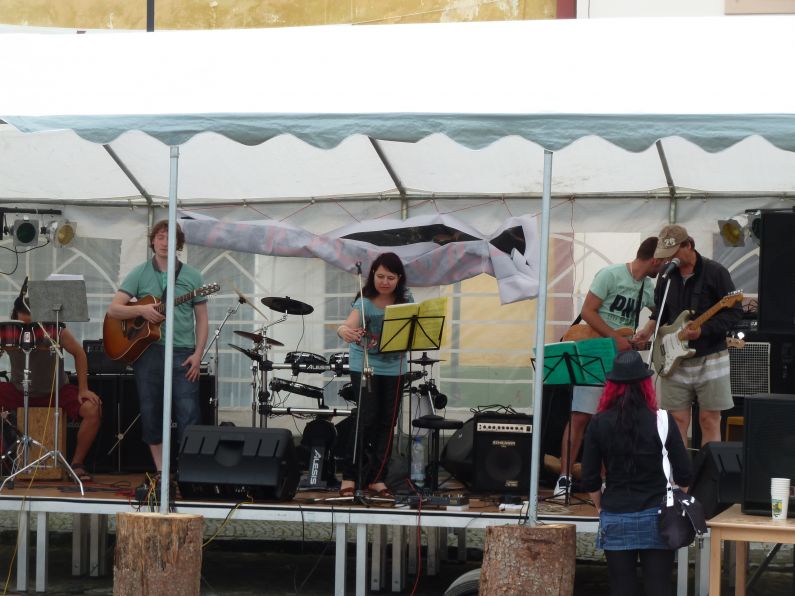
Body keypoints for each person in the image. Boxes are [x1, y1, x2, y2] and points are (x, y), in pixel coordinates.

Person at [554, 237, 664, 497]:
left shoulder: (647, 286)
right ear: (655, 260)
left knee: (614, 420)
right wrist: (614, 337)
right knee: (580, 416)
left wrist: (647, 329)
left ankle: (606, 480)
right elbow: (588, 311)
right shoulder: (610, 275)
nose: (663, 268)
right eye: (663, 262)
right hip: (595, 351)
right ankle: (564, 478)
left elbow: (660, 312)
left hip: (621, 360)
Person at [581, 350, 692, 596]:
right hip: (658, 514)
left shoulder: (598, 422)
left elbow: (589, 477)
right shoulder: (663, 420)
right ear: (646, 385)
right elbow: (684, 472)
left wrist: (600, 506)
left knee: (621, 587)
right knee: (659, 587)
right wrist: (677, 497)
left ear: (611, 386)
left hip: (616, 512)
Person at [106, 220, 208, 479]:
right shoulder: (139, 273)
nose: (165, 242)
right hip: (148, 352)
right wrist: (141, 310)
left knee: (189, 413)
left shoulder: (193, 276)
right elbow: (114, 309)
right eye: (160, 237)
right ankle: (162, 472)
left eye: (170, 238)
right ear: (152, 241)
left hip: (183, 352)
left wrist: (198, 354)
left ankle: (188, 472)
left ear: (179, 244)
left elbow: (202, 320)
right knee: (150, 411)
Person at [635, 224, 742, 447]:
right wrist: (648, 329)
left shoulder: (716, 272)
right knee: (677, 420)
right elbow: (661, 311)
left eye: (673, 253)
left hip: (710, 356)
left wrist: (704, 329)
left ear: (689, 245)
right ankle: (679, 470)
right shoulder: (666, 275)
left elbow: (734, 312)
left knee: (709, 420)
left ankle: (708, 470)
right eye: (666, 255)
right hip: (674, 358)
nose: (668, 259)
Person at [0, 295, 102, 481]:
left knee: (92, 409)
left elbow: (79, 353)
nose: (28, 330)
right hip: (18, 390)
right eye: (24, 324)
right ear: (15, 316)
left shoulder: (55, 329)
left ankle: (77, 464)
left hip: (56, 391)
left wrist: (83, 389)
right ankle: (3, 461)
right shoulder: (6, 330)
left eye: (32, 324)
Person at [337, 252, 413, 498]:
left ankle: (377, 477)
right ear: (372, 275)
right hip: (365, 363)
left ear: (399, 278)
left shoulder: (406, 300)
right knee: (366, 418)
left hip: (395, 366)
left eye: (390, 277)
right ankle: (350, 476)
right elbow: (347, 325)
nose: (384, 282)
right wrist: (343, 331)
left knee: (388, 421)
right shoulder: (364, 301)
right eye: (380, 276)